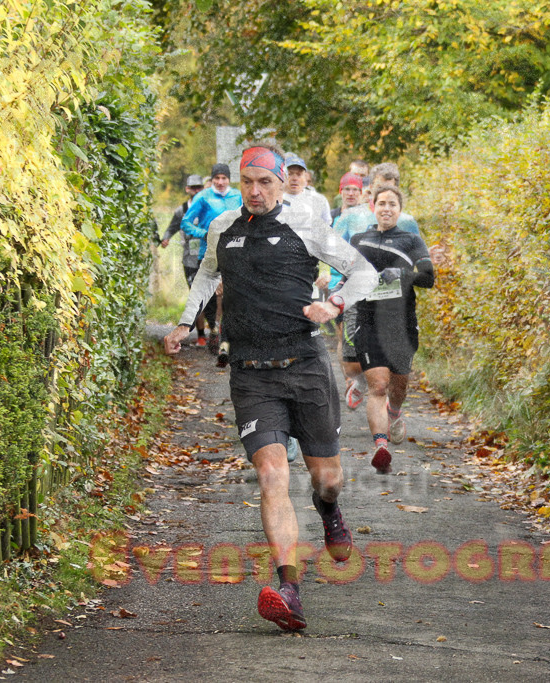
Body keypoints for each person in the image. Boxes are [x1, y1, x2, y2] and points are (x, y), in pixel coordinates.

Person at [164, 144, 378, 631]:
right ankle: (289, 588)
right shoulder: (224, 229)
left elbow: (365, 270)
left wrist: (336, 302)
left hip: (305, 366)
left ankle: (330, 512)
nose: (255, 191)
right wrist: (183, 323)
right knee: (272, 476)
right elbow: (205, 277)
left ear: (282, 183)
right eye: (248, 182)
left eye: (265, 182)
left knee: (327, 479)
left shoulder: (306, 226)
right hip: (252, 372)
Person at [350, 185, 434, 474]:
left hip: (401, 324)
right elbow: (346, 274)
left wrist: (401, 274)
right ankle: (381, 445)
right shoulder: (359, 240)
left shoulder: (411, 241)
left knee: (398, 386)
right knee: (378, 386)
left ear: (400, 210)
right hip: (368, 320)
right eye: (381, 203)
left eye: (392, 205)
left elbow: (429, 278)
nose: (386, 209)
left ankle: (395, 413)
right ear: (372, 206)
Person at [328, 172, 369, 409]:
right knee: (344, 332)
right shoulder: (336, 217)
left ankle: (360, 375)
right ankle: (350, 379)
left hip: (362, 281)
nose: (351, 194)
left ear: (361, 193)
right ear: (340, 192)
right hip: (338, 281)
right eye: (347, 190)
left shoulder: (366, 217)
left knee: (361, 331)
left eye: (355, 190)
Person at [160, 174, 208, 335]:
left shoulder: (208, 206)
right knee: (196, 297)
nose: (196, 191)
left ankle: (215, 331)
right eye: (193, 188)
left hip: (209, 257)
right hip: (189, 259)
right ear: (187, 189)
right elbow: (172, 226)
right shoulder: (181, 210)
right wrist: (166, 238)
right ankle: (201, 335)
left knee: (215, 297)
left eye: (198, 187)